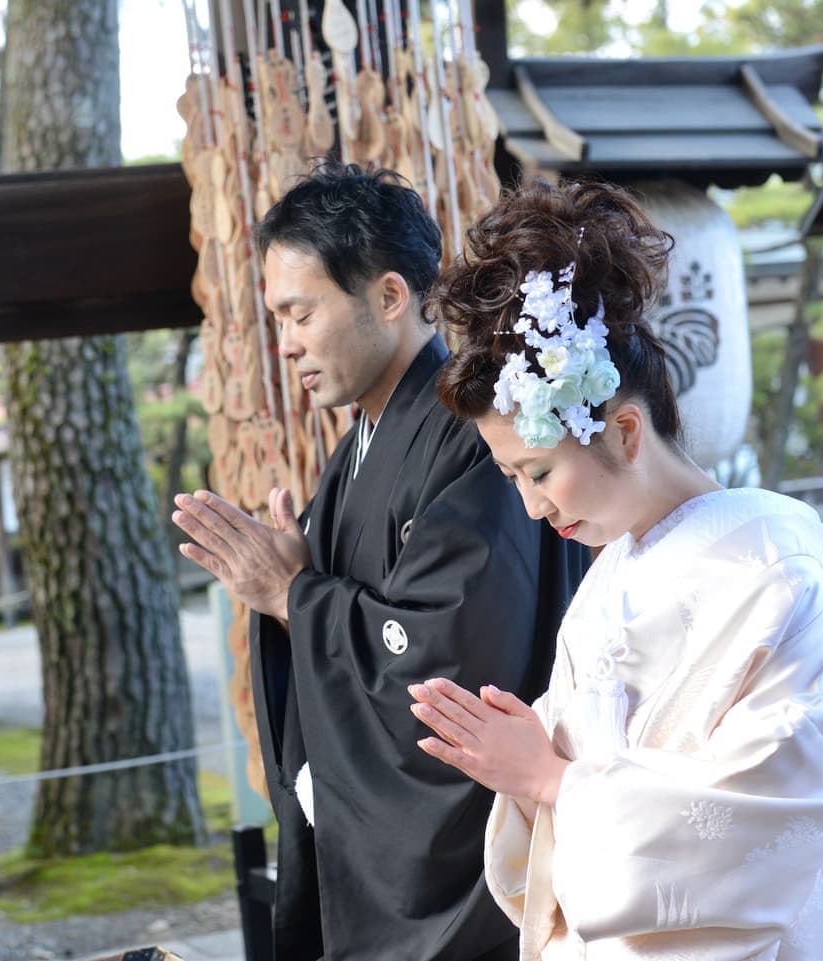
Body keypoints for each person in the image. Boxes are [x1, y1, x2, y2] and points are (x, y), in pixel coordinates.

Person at [409, 177, 823, 961]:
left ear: (627, 431)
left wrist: (554, 782)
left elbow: (749, 828)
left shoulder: (776, 592)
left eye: (538, 472)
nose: (533, 508)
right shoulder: (604, 591)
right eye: (513, 481)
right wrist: (530, 754)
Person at [171, 163, 584, 961]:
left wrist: (294, 594)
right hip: (380, 848)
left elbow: (451, 657)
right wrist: (298, 576)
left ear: (390, 298)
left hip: (460, 873)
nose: (286, 343)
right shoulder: (362, 441)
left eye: (301, 313)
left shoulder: (472, 439)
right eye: (277, 319)